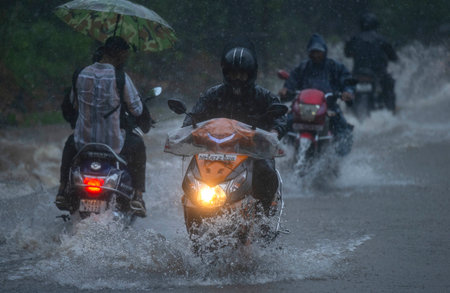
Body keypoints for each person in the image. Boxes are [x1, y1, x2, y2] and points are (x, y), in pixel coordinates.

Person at [182, 37, 287, 214]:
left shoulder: (263, 96)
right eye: (232, 73)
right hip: (215, 149)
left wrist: (274, 132)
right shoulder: (212, 94)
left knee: (267, 170)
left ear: (251, 74)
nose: (236, 78)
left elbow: (281, 117)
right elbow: (194, 116)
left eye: (241, 74)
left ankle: (264, 212)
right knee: (192, 174)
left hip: (254, 150)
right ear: (225, 73)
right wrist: (188, 129)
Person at [55, 36, 149, 217]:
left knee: (69, 142)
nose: (126, 59)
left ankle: (62, 190)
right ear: (121, 54)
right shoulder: (121, 77)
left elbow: (74, 105)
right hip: (114, 144)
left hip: (83, 142)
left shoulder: (81, 73)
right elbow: (137, 109)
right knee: (138, 145)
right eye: (126, 55)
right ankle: (137, 196)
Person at [279, 33, 354, 156]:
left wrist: (347, 92)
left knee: (343, 129)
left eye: (319, 51)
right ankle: (281, 155)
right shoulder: (303, 67)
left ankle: (340, 161)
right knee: (282, 123)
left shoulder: (334, 67)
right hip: (303, 108)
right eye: (313, 52)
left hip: (328, 107)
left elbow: (347, 81)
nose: (316, 55)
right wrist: (286, 89)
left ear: (325, 51)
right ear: (309, 52)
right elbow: (291, 81)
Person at [344, 12, 398, 113]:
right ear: (376, 25)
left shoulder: (354, 38)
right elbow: (394, 57)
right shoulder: (382, 40)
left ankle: (348, 109)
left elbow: (347, 54)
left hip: (358, 74)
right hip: (378, 74)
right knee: (389, 84)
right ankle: (391, 111)